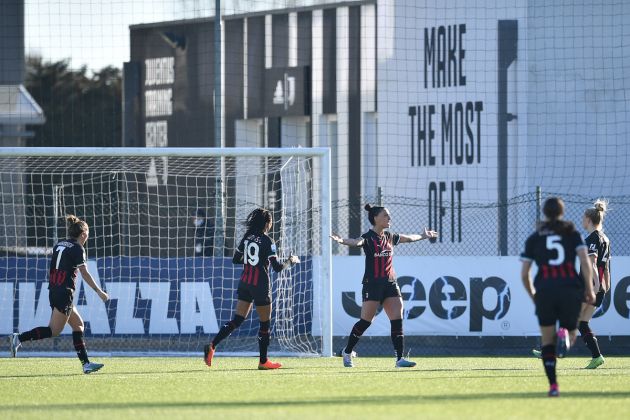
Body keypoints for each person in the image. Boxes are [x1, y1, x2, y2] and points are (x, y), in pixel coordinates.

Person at [330, 204, 438, 368]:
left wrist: (423, 236)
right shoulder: (367, 237)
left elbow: (409, 238)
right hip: (372, 284)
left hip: (390, 283)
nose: (389, 218)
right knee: (366, 322)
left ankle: (399, 359)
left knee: (397, 318)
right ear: (375, 218)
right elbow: (355, 242)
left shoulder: (390, 237)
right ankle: (347, 351)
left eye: (389, 215)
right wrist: (342, 241)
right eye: (386, 215)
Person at [8, 215, 109, 374]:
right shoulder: (78, 248)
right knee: (53, 331)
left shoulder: (59, 244)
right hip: (64, 292)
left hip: (55, 290)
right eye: (87, 234)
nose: (87, 238)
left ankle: (86, 364)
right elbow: (85, 273)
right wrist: (99, 291)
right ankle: (19, 338)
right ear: (83, 234)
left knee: (79, 325)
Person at [203, 208, 299, 370]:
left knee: (237, 319)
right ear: (267, 223)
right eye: (270, 222)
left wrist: (251, 262)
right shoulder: (268, 241)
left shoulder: (247, 237)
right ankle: (263, 361)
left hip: (245, 282)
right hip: (260, 285)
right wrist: (291, 261)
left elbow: (235, 259)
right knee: (264, 324)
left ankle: (212, 345)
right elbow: (277, 268)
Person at [521, 197, 595, 397]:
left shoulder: (534, 237)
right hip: (570, 289)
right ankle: (565, 336)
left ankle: (553, 386)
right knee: (572, 331)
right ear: (562, 212)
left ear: (544, 213)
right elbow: (585, 262)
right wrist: (588, 288)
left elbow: (524, 273)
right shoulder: (573, 234)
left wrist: (533, 295)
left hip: (545, 290)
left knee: (547, 341)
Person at [576, 199, 611, 368]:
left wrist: (596, 284)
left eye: (583, 218)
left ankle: (548, 351)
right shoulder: (605, 238)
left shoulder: (591, 238)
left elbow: (593, 263)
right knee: (582, 323)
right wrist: (605, 285)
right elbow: (607, 265)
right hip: (600, 287)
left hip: (589, 286)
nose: (582, 221)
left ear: (589, 220)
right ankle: (597, 357)